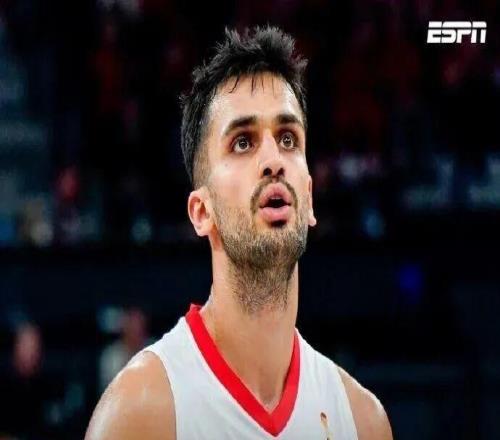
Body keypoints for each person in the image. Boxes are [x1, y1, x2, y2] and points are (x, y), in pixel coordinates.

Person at [85, 26, 393, 439]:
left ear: (309, 198)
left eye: (288, 138)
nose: (273, 160)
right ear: (201, 212)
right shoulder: (141, 411)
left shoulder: (362, 420)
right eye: (243, 142)